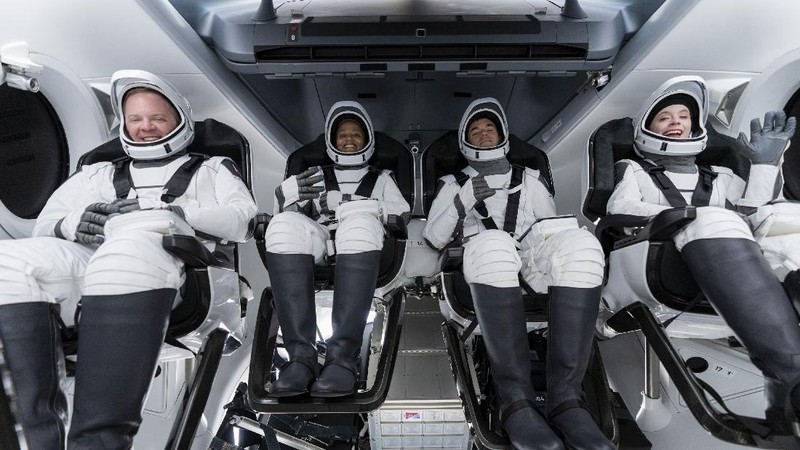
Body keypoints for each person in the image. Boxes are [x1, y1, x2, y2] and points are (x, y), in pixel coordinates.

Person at [0, 70, 257, 449]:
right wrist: (77, 222)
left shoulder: (212, 169)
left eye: (157, 118)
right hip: (97, 262)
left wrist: (176, 213)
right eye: (135, 119)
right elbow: (46, 226)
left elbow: (244, 221)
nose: (146, 128)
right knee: (11, 261)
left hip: (191, 277)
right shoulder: (97, 173)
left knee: (137, 236)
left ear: (179, 121)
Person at [607, 75, 800, 429]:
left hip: (739, 261)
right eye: (665, 117)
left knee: (787, 218)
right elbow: (620, 209)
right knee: (716, 218)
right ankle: (794, 375)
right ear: (647, 130)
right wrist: (687, 216)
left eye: (684, 116)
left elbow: (756, 215)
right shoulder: (634, 170)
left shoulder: (722, 176)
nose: (676, 122)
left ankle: (788, 397)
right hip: (659, 261)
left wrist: (764, 165)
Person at [424, 97, 614, 450]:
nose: (483, 135)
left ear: (502, 136)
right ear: (465, 140)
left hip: (530, 262)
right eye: (475, 130)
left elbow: (550, 228)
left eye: (489, 128)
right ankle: (515, 401)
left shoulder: (530, 180)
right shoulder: (452, 184)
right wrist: (461, 203)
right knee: (492, 240)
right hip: (482, 264)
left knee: (580, 244)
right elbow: (434, 238)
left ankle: (566, 400)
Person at [263, 101, 410, 398]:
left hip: (362, 242)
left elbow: (401, 213)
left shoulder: (381, 179)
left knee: (358, 223)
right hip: (319, 240)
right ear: (331, 140)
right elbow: (290, 214)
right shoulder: (314, 175)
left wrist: (355, 207)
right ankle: (300, 360)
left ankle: (342, 360)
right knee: (281, 226)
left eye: (356, 134)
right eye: (342, 134)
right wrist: (281, 197)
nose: (349, 139)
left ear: (367, 140)